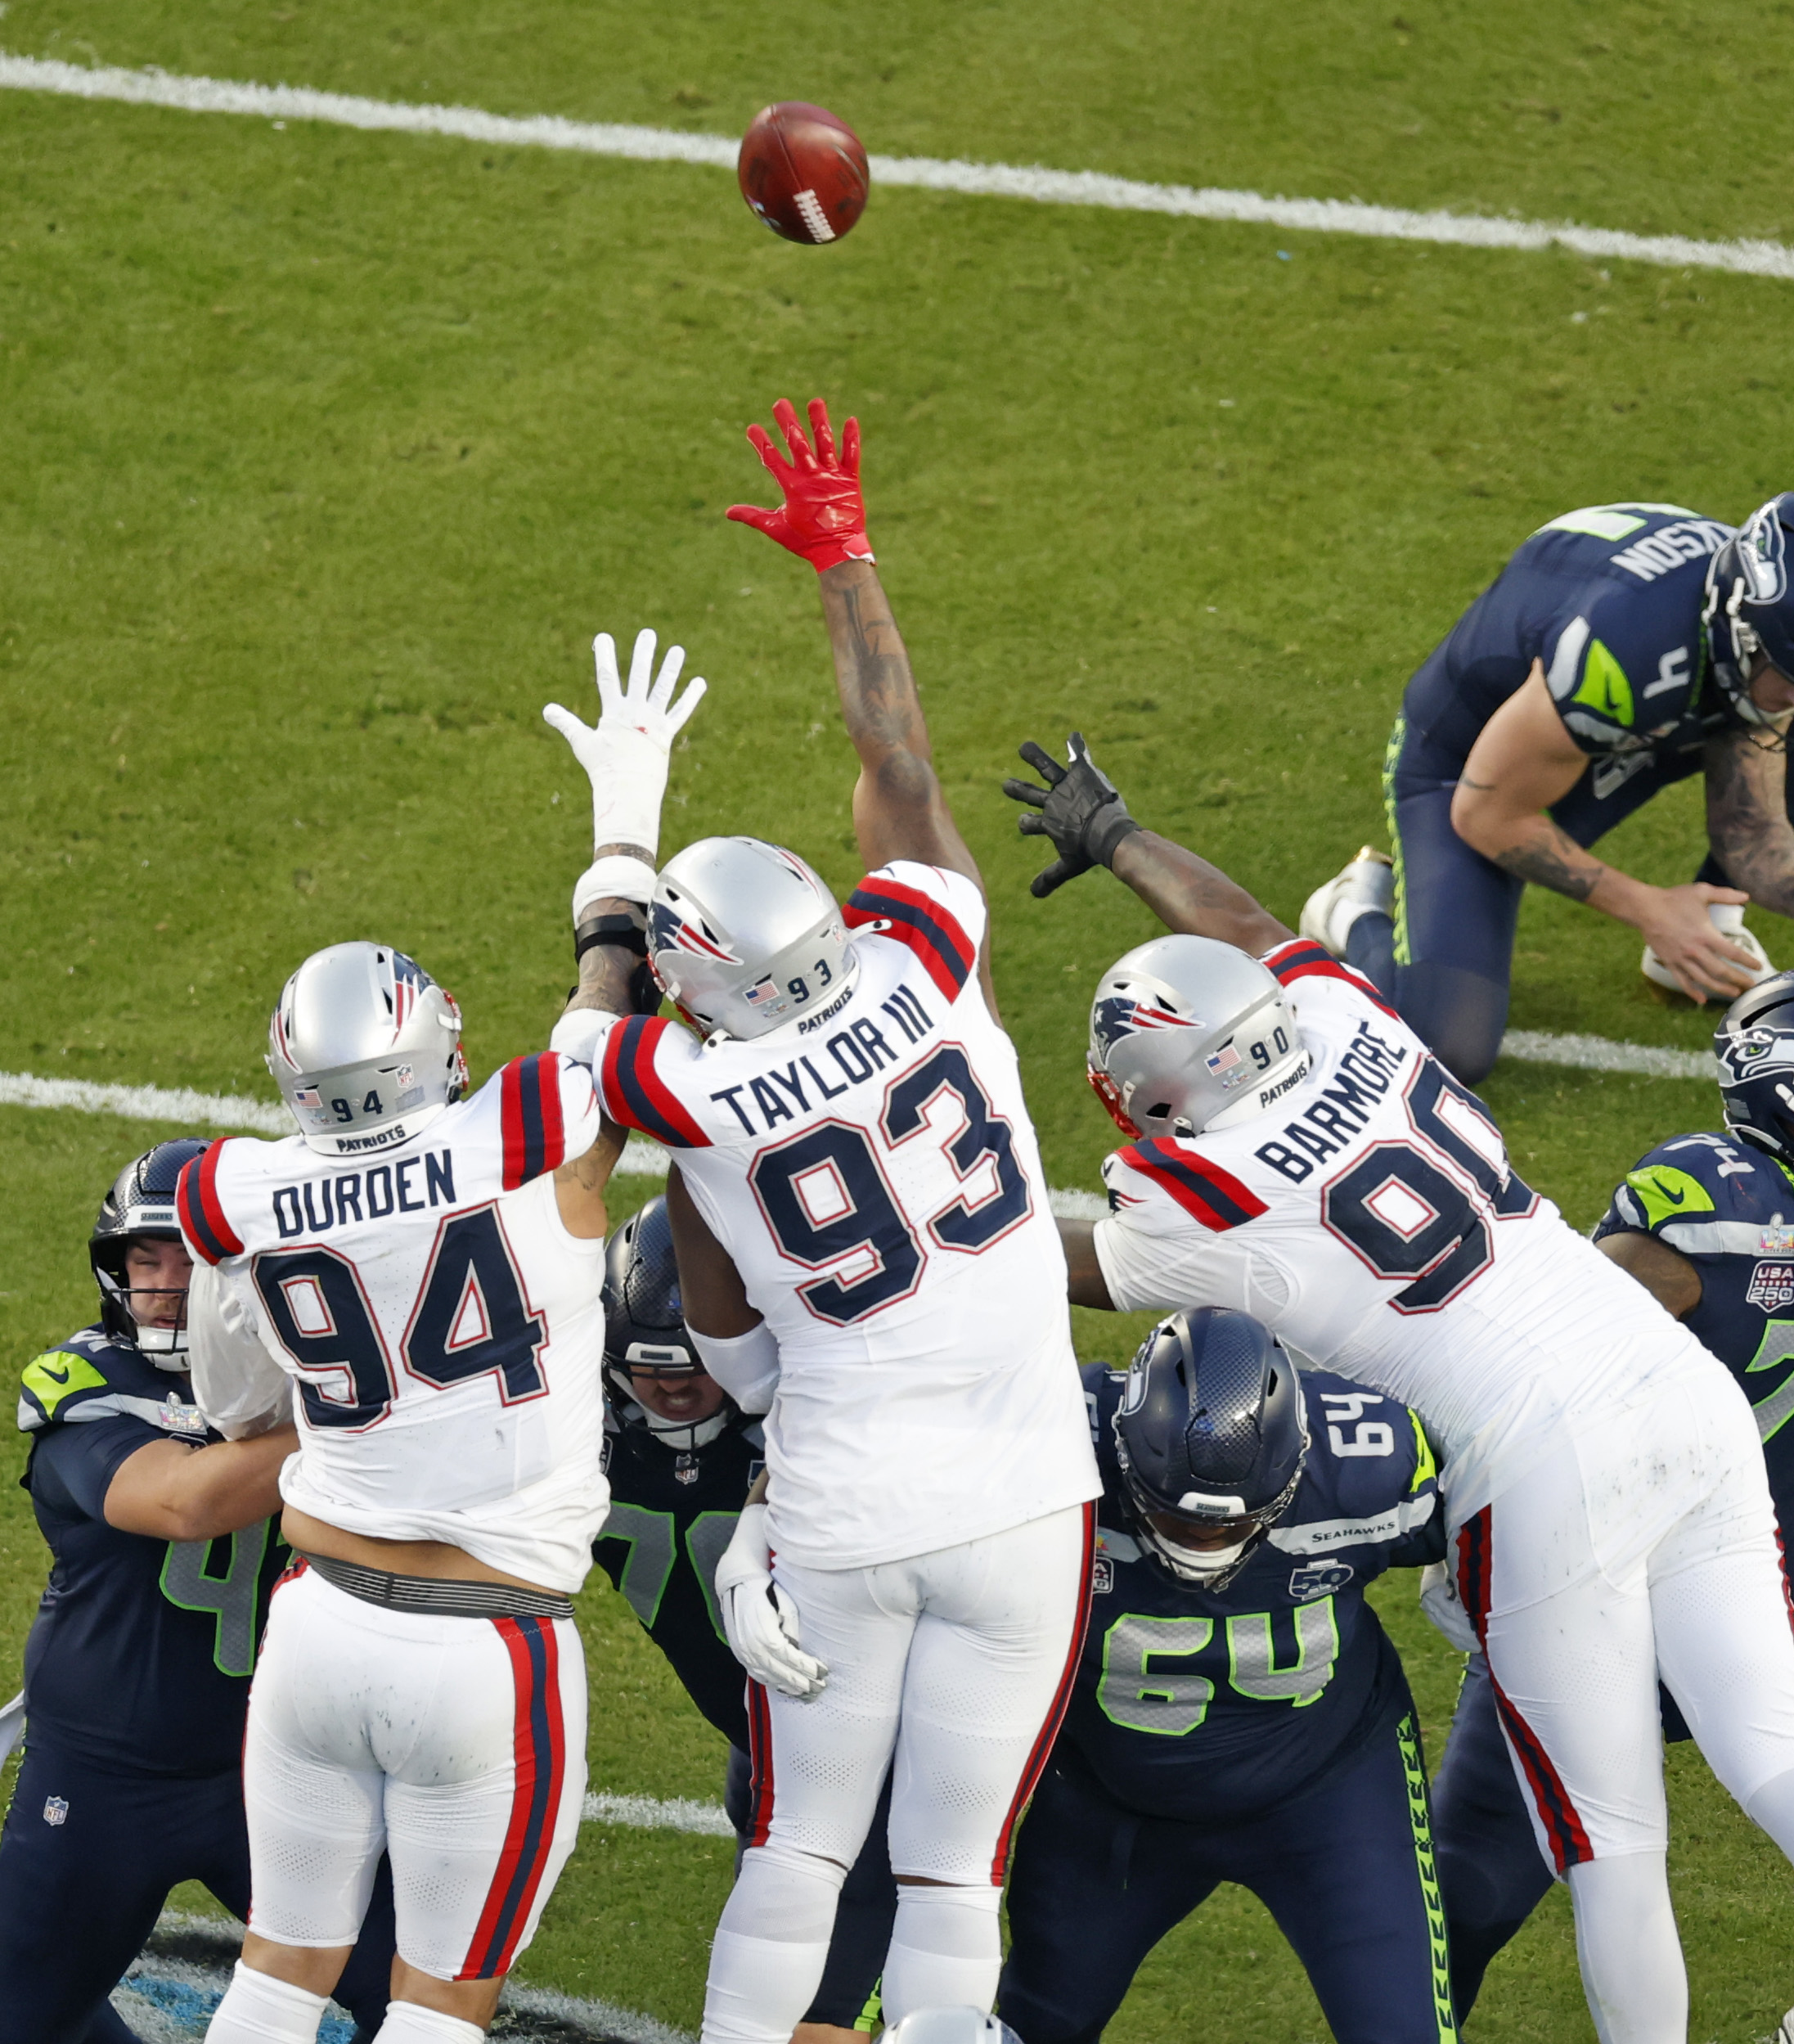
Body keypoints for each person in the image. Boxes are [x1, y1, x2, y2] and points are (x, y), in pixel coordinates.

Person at [1001, 741, 1794, 2044]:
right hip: (1671, 1390)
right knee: (1782, 1755)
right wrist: (1124, 836)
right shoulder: (1363, 1029)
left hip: (1538, 1464)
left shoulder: (1192, 1196)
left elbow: (1038, 1262)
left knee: (1611, 1840)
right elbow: (1247, 927)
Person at [568, 400, 1099, 2041]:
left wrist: (619, 842)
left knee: (799, 1849)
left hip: (848, 1501)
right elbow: (900, 768)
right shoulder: (934, 961)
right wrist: (844, 567)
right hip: (1029, 1494)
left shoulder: (692, 1096)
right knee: (954, 1881)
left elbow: (595, 1036)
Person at [1427, 965, 1794, 2043]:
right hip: (1600, 1557)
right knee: (1470, 1886)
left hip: (1767, 1541)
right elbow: (1560, 1332)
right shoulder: (1710, 1203)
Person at [179, 931, 625, 2044]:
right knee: (442, 2001)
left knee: (279, 1970)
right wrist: (611, 894)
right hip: (486, 1643)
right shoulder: (533, 1143)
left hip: (320, 1624)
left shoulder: (238, 1192)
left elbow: (238, 1411)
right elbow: (599, 1035)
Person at [0, 1141, 393, 2043]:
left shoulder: (301, 1380)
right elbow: (183, 1501)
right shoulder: (87, 1382)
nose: (163, 1284)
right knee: (22, 2028)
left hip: (281, 1762)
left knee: (415, 1990)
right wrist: (363, 1406)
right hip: (101, 1773)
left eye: (190, 1260)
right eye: (142, 1259)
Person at [1294, 494, 1794, 1083]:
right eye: (1790, 679)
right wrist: (1650, 910)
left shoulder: (1761, 645)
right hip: (1467, 773)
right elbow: (1489, 815)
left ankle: (1709, 931)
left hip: (1631, 723)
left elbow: (1747, 823)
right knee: (1446, 1042)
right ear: (1739, 626)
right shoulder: (1624, 650)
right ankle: (1353, 911)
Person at [991, 1309, 1451, 2044]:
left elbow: (1520, 1497)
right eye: (1174, 1518)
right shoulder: (1038, 1445)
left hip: (1330, 1788)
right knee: (1036, 2022)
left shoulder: (1373, 1463)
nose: (1202, 1541)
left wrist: (1482, 1575)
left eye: (1236, 1525)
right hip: (1109, 1799)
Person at [591, 1195, 893, 2040]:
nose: (677, 1385)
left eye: (694, 1362)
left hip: (867, 1749)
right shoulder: (571, 1430)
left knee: (816, 2014)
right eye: (651, 1368)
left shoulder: (817, 1411)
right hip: (759, 1741)